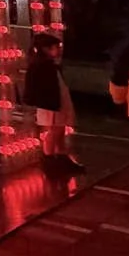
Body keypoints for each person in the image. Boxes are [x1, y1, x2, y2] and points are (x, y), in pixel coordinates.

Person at [23, 32, 83, 173]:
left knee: (60, 130)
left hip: (57, 102)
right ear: (45, 49)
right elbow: (36, 88)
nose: (59, 50)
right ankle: (49, 161)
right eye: (56, 47)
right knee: (54, 131)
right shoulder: (40, 66)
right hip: (51, 105)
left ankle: (61, 159)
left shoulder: (50, 65)